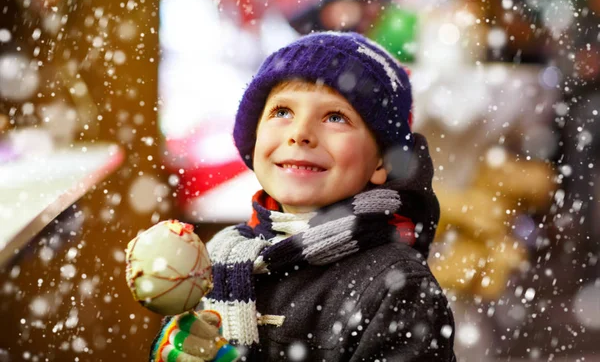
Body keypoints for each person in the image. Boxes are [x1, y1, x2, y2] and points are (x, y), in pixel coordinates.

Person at [149, 31, 456, 362]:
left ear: (381, 161)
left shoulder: (396, 286)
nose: (300, 134)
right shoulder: (218, 256)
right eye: (282, 112)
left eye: (335, 117)